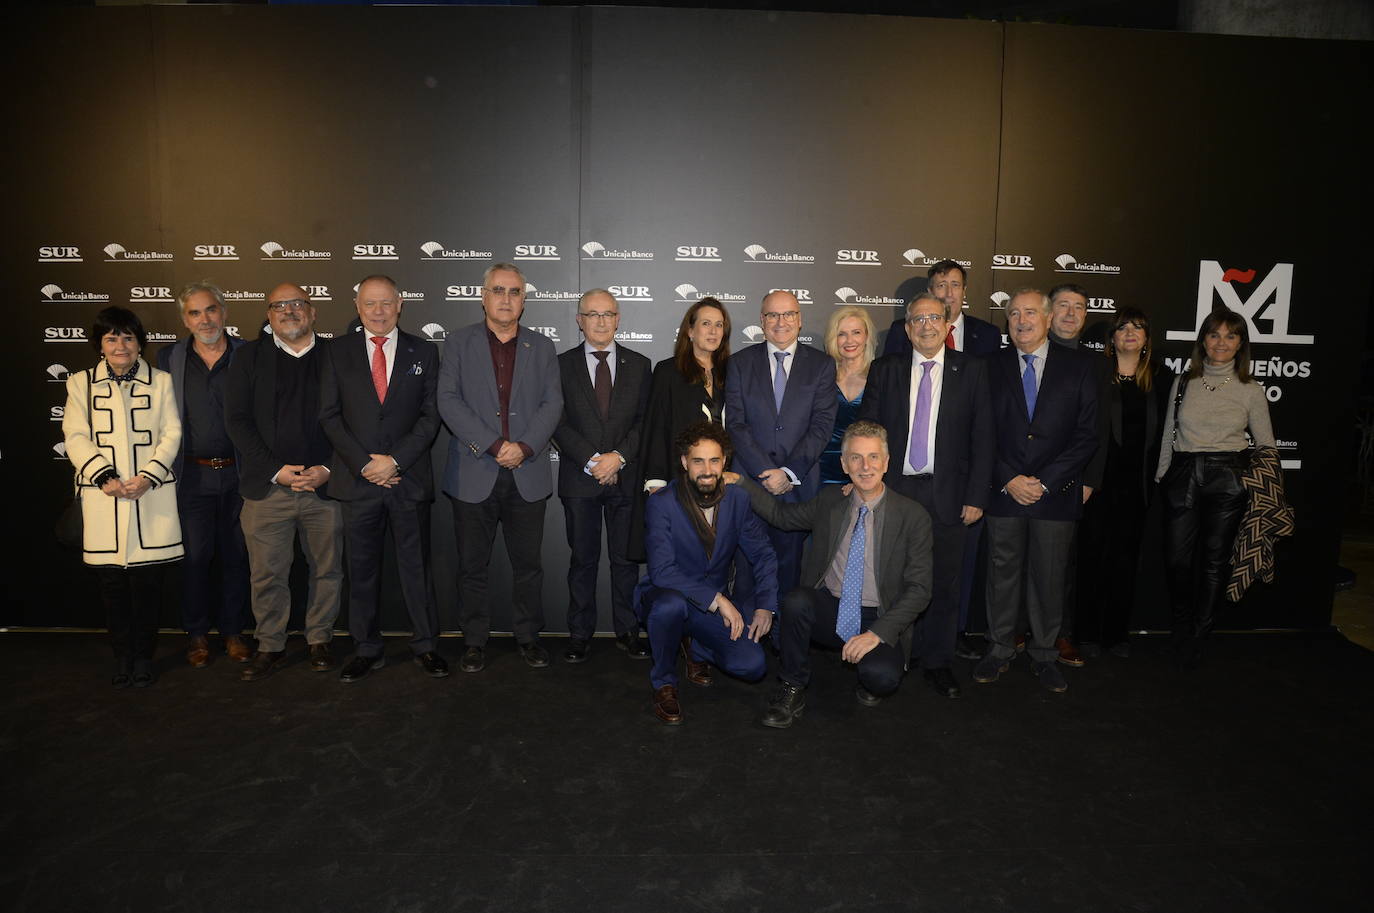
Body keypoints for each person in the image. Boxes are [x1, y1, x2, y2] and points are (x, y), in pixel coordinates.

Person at [730, 420, 933, 727]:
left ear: (887, 461)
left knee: (881, 677)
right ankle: (792, 685)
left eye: (873, 457)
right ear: (843, 463)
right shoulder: (830, 501)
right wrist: (741, 483)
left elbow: (920, 589)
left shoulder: (912, 516)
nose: (865, 466)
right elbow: (782, 517)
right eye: (856, 457)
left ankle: (868, 673)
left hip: (879, 616)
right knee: (796, 600)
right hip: (830, 608)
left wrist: (877, 634)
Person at [857, 293, 994, 699]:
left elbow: (983, 437)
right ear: (906, 328)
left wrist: (976, 495)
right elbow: (868, 430)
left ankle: (938, 662)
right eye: (918, 320)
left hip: (949, 493)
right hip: (894, 492)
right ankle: (892, 655)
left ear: (948, 325)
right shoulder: (887, 370)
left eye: (935, 318)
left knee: (944, 582)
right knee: (892, 578)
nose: (926, 326)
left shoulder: (972, 371)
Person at [319, 275, 446, 682]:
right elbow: (329, 416)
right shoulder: (336, 352)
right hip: (358, 483)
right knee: (361, 569)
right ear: (357, 306)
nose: (378, 311)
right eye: (369, 303)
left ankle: (426, 645)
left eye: (386, 303)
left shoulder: (424, 351)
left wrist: (395, 462)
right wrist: (364, 464)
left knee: (416, 568)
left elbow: (431, 417)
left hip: (405, 480)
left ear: (400, 304)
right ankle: (366, 648)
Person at [438, 263, 563, 673]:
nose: (506, 299)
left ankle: (528, 636)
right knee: (472, 565)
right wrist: (494, 446)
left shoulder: (542, 347)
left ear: (524, 300)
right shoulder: (457, 343)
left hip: (527, 473)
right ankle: (474, 640)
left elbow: (553, 404)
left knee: (528, 566)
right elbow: (448, 401)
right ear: (483, 296)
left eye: (514, 292)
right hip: (474, 471)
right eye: (498, 290)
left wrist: (524, 447)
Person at [973, 289, 1099, 693]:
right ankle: (998, 650)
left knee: (1048, 578)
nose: (1021, 320)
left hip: (1055, 494)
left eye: (1030, 312)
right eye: (1013, 314)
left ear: (1048, 319)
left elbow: (1087, 435)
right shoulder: (988, 367)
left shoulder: (1080, 367)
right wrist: (1008, 477)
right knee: (1002, 575)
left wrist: (1045, 481)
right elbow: (980, 430)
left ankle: (1045, 655)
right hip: (1003, 491)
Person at [225, 284, 344, 681]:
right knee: (266, 574)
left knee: (326, 570)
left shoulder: (338, 356)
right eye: (280, 305)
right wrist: (276, 469)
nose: (289, 311)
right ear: (268, 314)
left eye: (298, 304)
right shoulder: (247, 358)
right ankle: (271, 644)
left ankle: (319, 640)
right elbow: (237, 421)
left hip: (324, 487)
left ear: (312, 313)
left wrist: (329, 468)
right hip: (267, 487)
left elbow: (355, 420)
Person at [62, 307, 183, 687]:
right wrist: (104, 476)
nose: (120, 345)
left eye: (128, 337)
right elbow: (75, 435)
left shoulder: (161, 381)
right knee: (112, 588)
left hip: (151, 496)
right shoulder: (80, 383)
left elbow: (172, 432)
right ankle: (122, 658)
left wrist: (148, 477)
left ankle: (144, 658)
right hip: (104, 499)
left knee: (148, 587)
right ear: (99, 344)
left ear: (140, 343)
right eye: (111, 338)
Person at [1156, 308, 1275, 669]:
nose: (1221, 342)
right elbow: (1168, 433)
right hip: (1183, 472)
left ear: (1241, 344)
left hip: (1228, 476)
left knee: (1213, 560)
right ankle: (1179, 625)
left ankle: (1200, 632)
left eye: (1231, 336)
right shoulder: (1184, 382)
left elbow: (1266, 444)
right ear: (1203, 340)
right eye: (1214, 335)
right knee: (1177, 559)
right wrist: (1163, 474)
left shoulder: (1251, 390)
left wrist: (1263, 488)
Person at [635, 423, 776, 725]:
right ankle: (664, 683)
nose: (707, 469)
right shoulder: (662, 504)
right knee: (670, 605)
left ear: (724, 461)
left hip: (706, 607)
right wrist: (719, 600)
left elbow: (763, 554)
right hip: (666, 596)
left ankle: (694, 645)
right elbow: (661, 571)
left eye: (714, 460)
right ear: (685, 463)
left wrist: (766, 605)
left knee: (752, 665)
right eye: (698, 461)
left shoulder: (737, 500)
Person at [553, 289, 652, 663]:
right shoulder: (560, 365)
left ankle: (628, 631)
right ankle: (579, 634)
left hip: (626, 479)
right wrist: (594, 460)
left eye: (607, 314)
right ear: (579, 320)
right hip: (580, 481)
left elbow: (645, 421)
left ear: (618, 318)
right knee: (583, 560)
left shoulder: (640, 365)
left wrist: (618, 458)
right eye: (591, 314)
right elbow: (556, 422)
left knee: (626, 561)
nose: (600, 321)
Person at [157, 281, 251, 668]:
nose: (205, 319)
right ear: (184, 319)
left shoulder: (249, 356)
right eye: (195, 313)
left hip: (241, 475)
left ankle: (233, 632)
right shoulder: (169, 359)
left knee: (237, 556)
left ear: (224, 312)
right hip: (192, 477)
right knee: (195, 557)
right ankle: (196, 634)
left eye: (211, 309)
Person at [724, 290, 837, 605]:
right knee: (747, 567)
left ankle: (782, 641)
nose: (780, 322)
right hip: (750, 483)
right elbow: (735, 424)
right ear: (762, 321)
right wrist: (765, 471)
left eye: (788, 314)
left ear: (800, 320)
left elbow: (822, 426)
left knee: (789, 570)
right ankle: (746, 644)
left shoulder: (821, 365)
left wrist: (788, 472)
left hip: (797, 487)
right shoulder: (739, 364)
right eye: (772, 315)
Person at [1074, 308, 1169, 658]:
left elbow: (1165, 436)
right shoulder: (1097, 374)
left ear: (1146, 339)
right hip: (1097, 484)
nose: (1129, 332)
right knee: (1091, 559)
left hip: (1138, 486)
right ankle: (1086, 633)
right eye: (1123, 327)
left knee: (1126, 562)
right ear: (1111, 338)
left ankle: (1116, 634)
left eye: (1137, 328)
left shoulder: (1161, 378)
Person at [1039, 282, 1112, 667]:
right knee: (1020, 556)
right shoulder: (1028, 352)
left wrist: (1089, 480)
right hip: (1026, 477)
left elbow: (1099, 428)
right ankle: (1022, 627)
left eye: (1079, 307)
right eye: (1062, 305)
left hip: (1072, 478)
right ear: (1048, 313)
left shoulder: (1096, 364)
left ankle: (1060, 634)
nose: (1070, 313)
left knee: (1062, 562)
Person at [629, 297, 731, 564]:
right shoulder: (668, 371)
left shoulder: (732, 372)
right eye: (706, 324)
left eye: (719, 325)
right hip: (679, 484)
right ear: (690, 330)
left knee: (717, 560)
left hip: (723, 484)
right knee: (679, 562)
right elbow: (656, 428)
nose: (712, 331)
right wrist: (655, 482)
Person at [880, 260, 1000, 358]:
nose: (949, 294)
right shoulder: (901, 331)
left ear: (964, 291)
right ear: (930, 291)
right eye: (942, 285)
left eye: (955, 285)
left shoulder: (988, 334)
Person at [818, 306, 876, 485]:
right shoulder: (820, 377)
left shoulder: (880, 376)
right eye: (842, 334)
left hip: (864, 469)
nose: (849, 340)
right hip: (821, 467)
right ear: (833, 339)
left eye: (856, 332)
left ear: (866, 336)